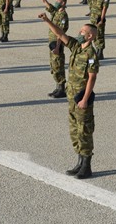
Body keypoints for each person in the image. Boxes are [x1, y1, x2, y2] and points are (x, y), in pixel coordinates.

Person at [38, 14, 99, 179]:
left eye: (82, 31)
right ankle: (79, 162)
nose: (79, 33)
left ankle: (87, 166)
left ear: (90, 36)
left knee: (84, 130)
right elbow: (60, 34)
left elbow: (92, 78)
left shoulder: (91, 53)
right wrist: (47, 21)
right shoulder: (76, 46)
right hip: (72, 95)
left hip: (81, 97)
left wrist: (85, 99)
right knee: (74, 130)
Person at [31, 0, 69, 98]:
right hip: (52, 42)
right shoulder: (56, 12)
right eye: (56, 1)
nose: (56, 2)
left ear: (64, 3)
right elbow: (44, 1)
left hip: (58, 43)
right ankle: (57, 87)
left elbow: (60, 33)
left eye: (59, 1)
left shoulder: (63, 16)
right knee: (53, 66)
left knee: (58, 65)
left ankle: (62, 89)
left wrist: (57, 46)